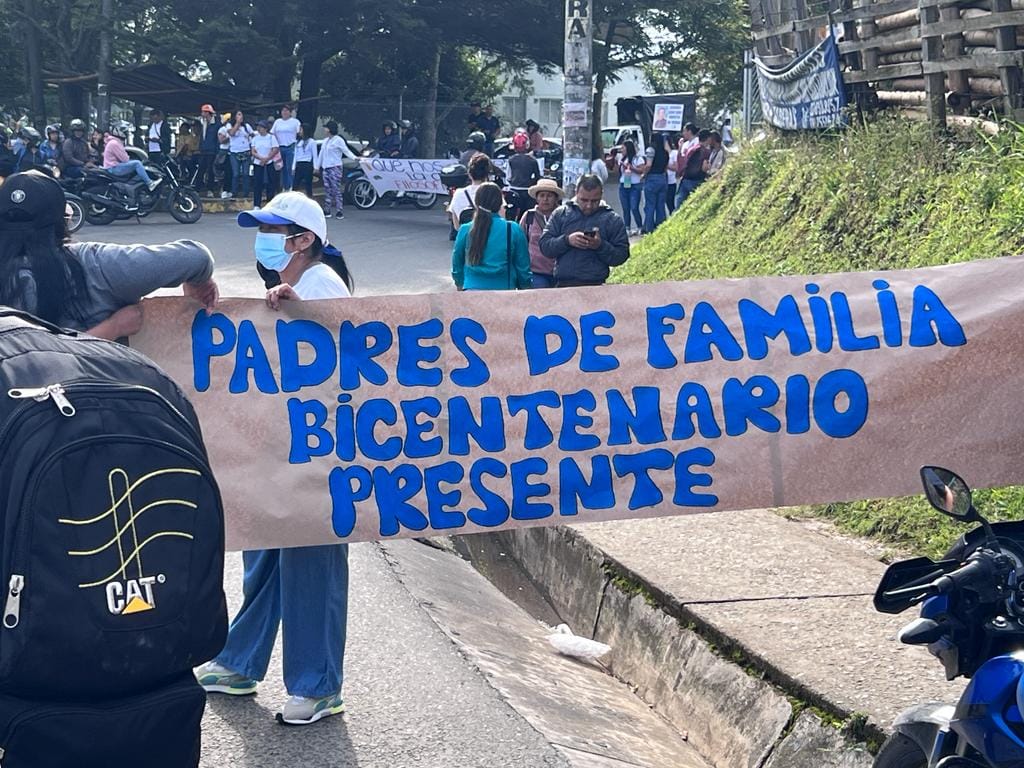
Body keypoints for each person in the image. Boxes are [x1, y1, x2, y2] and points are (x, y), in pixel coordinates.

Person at [197, 191, 350, 727]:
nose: (261, 239)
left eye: (271, 229)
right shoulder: (291, 285)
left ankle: (317, 684)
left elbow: (352, 356)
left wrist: (304, 310)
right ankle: (240, 662)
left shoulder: (322, 284)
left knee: (310, 564)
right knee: (263, 554)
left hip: (318, 452)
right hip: (281, 444)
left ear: (303, 239)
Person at [0, 170, 218, 339]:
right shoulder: (93, 263)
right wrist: (112, 328)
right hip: (87, 394)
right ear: (63, 221)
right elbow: (196, 257)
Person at [540, 173, 630, 287]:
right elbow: (544, 246)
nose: (589, 206)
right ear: (576, 192)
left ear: (602, 194)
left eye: (594, 201)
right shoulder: (561, 214)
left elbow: (622, 255)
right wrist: (567, 240)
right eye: (584, 200)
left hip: (596, 285)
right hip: (564, 285)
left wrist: (600, 246)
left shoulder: (612, 220)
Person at [452, 182, 530, 291]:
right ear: (500, 203)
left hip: (471, 290)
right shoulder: (512, 229)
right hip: (504, 291)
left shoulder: (466, 229)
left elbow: (457, 262)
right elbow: (523, 266)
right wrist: (525, 286)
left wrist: (460, 283)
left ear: (476, 202)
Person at [519, 178, 564, 288]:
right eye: (542, 195)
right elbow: (520, 242)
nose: (545, 199)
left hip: (560, 271)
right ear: (537, 198)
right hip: (535, 272)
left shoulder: (564, 216)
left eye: (549, 196)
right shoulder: (529, 216)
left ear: (556, 198)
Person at [316, 120, 357, 219]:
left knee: (336, 189)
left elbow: (346, 150)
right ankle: (327, 209)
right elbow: (321, 154)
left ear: (330, 129)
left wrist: (355, 158)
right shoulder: (325, 141)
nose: (325, 129)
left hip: (335, 167)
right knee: (327, 189)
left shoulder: (338, 140)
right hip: (326, 167)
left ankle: (339, 210)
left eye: (326, 128)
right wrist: (317, 166)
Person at [103, 126, 160, 191]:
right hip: (114, 168)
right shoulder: (115, 143)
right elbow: (125, 159)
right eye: (125, 132)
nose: (127, 134)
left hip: (113, 166)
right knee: (137, 163)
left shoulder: (114, 142)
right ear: (120, 133)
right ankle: (150, 183)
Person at [449, 152, 491, 230]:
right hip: (489, 239)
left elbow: (456, 226)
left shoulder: (458, 193)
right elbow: (502, 218)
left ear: (469, 174)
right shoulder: (494, 192)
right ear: (487, 174)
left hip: (467, 239)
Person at [505, 132, 540, 221]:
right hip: (528, 192)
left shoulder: (511, 160)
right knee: (528, 217)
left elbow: (508, 178)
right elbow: (537, 177)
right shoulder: (533, 160)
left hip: (513, 191)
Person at [614, 138, 645, 236]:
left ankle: (640, 226)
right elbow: (616, 172)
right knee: (625, 208)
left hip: (634, 185)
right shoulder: (621, 159)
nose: (621, 150)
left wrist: (631, 167)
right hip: (624, 184)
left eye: (623, 148)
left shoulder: (637, 159)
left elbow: (642, 170)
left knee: (634, 207)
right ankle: (627, 228)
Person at [642, 133, 671, 233]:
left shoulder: (651, 150)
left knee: (650, 205)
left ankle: (648, 229)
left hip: (652, 178)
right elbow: (666, 167)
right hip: (662, 178)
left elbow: (648, 165)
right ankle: (661, 228)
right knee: (660, 205)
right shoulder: (665, 152)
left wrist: (643, 174)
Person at [221, 110, 253, 200]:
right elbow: (232, 133)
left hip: (245, 151)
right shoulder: (229, 125)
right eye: (239, 115)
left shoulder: (246, 126)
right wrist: (237, 124)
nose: (241, 116)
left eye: (241, 114)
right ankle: (234, 192)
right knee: (235, 174)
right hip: (234, 152)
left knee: (246, 174)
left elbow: (252, 134)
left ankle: (246, 192)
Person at [675, 129, 711, 207]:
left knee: (680, 206)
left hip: (685, 178)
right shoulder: (706, 151)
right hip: (696, 180)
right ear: (708, 139)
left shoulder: (691, 148)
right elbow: (704, 168)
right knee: (694, 206)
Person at [250, 121, 280, 209]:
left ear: (266, 128)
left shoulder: (271, 137)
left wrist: (267, 159)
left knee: (271, 183)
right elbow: (253, 151)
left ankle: (270, 202)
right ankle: (257, 204)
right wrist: (261, 158)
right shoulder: (255, 138)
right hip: (258, 163)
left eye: (261, 127)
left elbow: (275, 149)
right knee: (257, 184)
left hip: (269, 163)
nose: (259, 129)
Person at [272, 104, 300, 191]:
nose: (284, 112)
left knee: (289, 167)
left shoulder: (295, 122)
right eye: (283, 110)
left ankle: (291, 186)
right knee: (282, 167)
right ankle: (284, 187)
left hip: (291, 146)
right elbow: (272, 133)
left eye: (286, 110)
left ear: (290, 112)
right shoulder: (277, 122)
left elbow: (299, 133)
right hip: (280, 147)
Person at [196, 105, 222, 196]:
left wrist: (217, 150)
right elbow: (202, 137)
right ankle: (197, 188)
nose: (202, 113)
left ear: (207, 113)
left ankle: (210, 189)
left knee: (210, 170)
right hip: (204, 150)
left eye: (203, 112)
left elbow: (217, 139)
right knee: (201, 169)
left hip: (212, 151)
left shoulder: (217, 124)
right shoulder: (203, 123)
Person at [292, 124, 318, 199]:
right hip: (299, 164)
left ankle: (310, 199)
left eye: (301, 130)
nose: (299, 131)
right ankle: (293, 200)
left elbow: (315, 155)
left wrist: (315, 167)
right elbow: (295, 155)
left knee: (308, 185)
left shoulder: (312, 142)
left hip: (307, 164)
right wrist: (293, 167)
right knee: (295, 184)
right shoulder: (298, 142)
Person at [666, 134, 679, 215]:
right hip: (664, 181)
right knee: (666, 201)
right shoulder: (662, 153)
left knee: (670, 200)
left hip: (671, 181)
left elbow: (676, 167)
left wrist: (666, 165)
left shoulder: (674, 153)